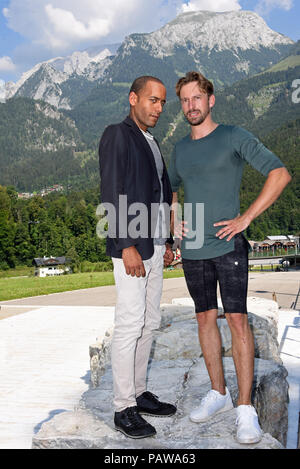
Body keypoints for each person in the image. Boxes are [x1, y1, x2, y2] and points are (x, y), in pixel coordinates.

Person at [168, 71, 291, 444]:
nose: (191, 106)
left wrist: (246, 219)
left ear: (211, 100)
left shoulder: (233, 136)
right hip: (193, 249)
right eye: (185, 100)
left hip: (229, 244)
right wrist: (175, 221)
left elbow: (280, 173)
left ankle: (244, 408)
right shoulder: (179, 149)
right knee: (204, 318)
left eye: (196, 98)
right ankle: (218, 394)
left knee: (237, 320)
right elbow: (171, 190)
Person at [98, 76, 176, 439]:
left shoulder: (152, 140)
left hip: (156, 245)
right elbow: (112, 191)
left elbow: (161, 192)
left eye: (162, 102)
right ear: (133, 99)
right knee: (130, 323)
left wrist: (169, 240)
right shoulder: (118, 134)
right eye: (152, 100)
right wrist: (125, 243)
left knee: (149, 322)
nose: (158, 108)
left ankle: (140, 393)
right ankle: (122, 407)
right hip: (132, 246)